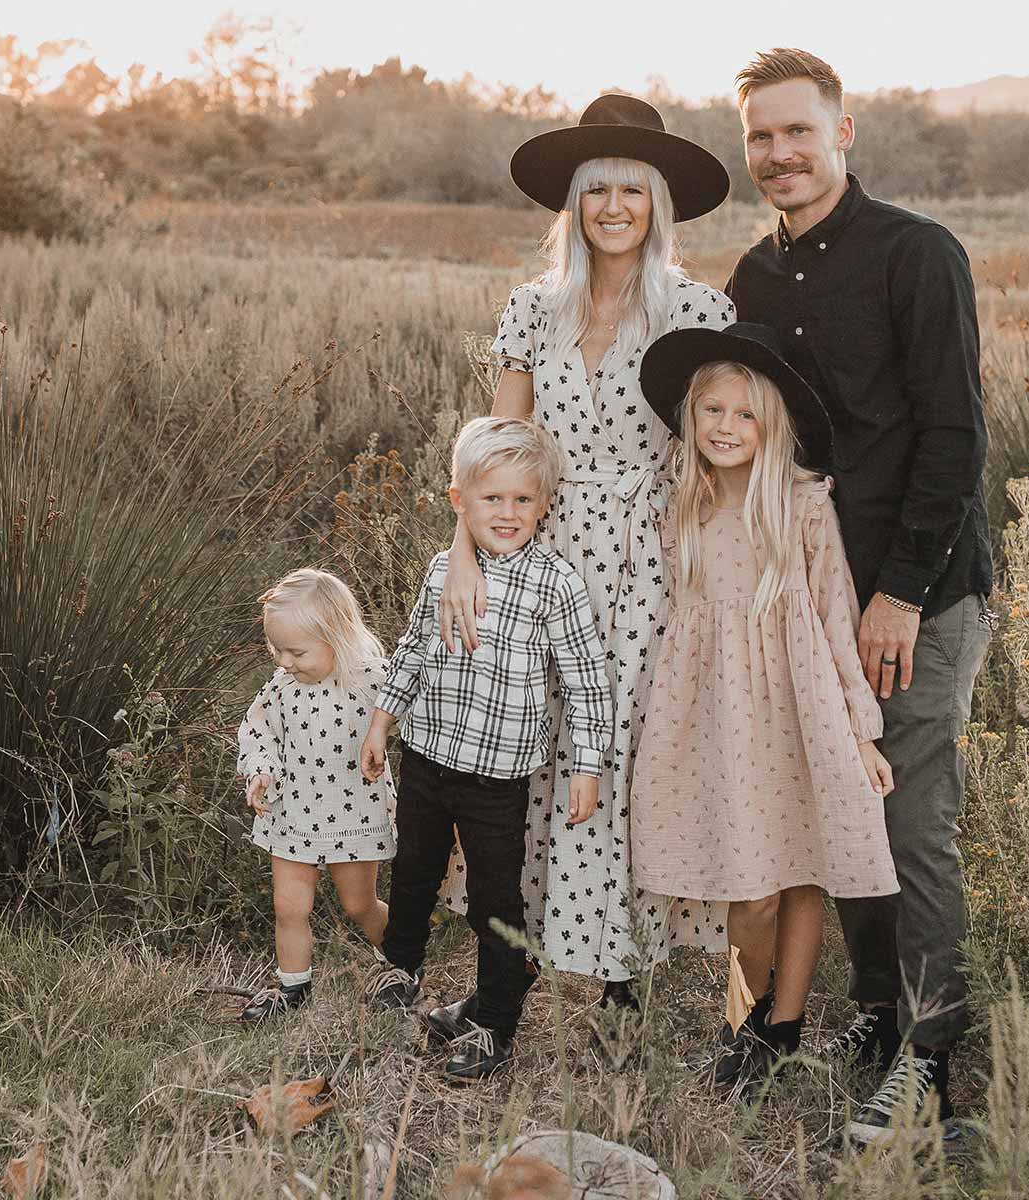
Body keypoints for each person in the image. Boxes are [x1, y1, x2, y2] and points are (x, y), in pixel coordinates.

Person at [723, 48, 993, 1144]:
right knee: (845, 807)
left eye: (798, 131)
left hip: (915, 590)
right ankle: (877, 1018)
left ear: (844, 132)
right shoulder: (751, 278)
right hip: (814, 600)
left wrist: (899, 596)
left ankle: (930, 1061)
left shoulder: (916, 255)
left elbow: (954, 436)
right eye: (760, 138)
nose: (778, 154)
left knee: (911, 817)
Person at [437, 93, 738, 1010]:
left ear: (657, 203)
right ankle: (515, 960)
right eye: (595, 189)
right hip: (544, 549)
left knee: (623, 746)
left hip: (652, 558)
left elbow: (724, 449)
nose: (613, 206)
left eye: (631, 190)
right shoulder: (533, 308)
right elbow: (500, 446)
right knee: (529, 746)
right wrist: (462, 552)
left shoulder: (698, 308)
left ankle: (620, 975)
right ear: (573, 204)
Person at [626, 322, 898, 1096]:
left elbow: (838, 619)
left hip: (798, 706)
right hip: (716, 711)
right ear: (691, 417)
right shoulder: (682, 500)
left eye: (745, 415)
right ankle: (740, 1018)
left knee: (800, 866)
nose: (726, 428)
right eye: (712, 411)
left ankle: (781, 1028)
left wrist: (861, 732)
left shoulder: (804, 505)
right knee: (750, 884)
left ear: (772, 426)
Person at [359, 416, 615, 1082]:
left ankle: (496, 1023)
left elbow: (587, 681)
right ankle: (399, 973)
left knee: (497, 904)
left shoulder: (555, 582)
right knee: (412, 874)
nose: (507, 513)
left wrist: (587, 765)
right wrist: (382, 721)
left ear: (543, 505)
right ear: (459, 502)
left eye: (522, 500)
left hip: (497, 782)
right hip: (428, 760)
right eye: (492, 498)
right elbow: (414, 649)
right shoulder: (445, 570)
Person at [234, 569, 396, 1022]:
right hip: (293, 813)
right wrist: (261, 769)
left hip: (354, 811)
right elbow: (256, 729)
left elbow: (409, 713)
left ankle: (403, 967)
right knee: (288, 906)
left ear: (338, 637)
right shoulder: (282, 687)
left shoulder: (371, 679)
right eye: (275, 649)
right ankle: (293, 988)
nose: (283, 661)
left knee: (358, 904)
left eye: (296, 651)